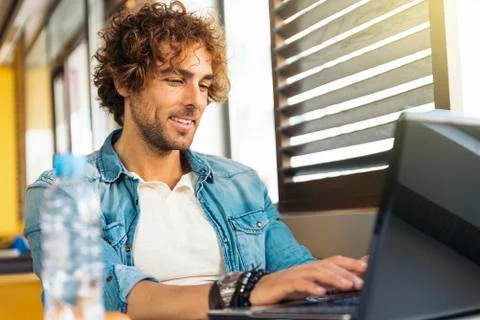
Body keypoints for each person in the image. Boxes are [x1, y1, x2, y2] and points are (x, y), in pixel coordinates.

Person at [24, 2, 367, 319]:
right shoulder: (62, 192)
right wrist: (244, 291)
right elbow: (107, 298)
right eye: (176, 80)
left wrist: (349, 277)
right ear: (123, 82)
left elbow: (296, 273)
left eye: (204, 85)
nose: (196, 102)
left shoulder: (240, 183)